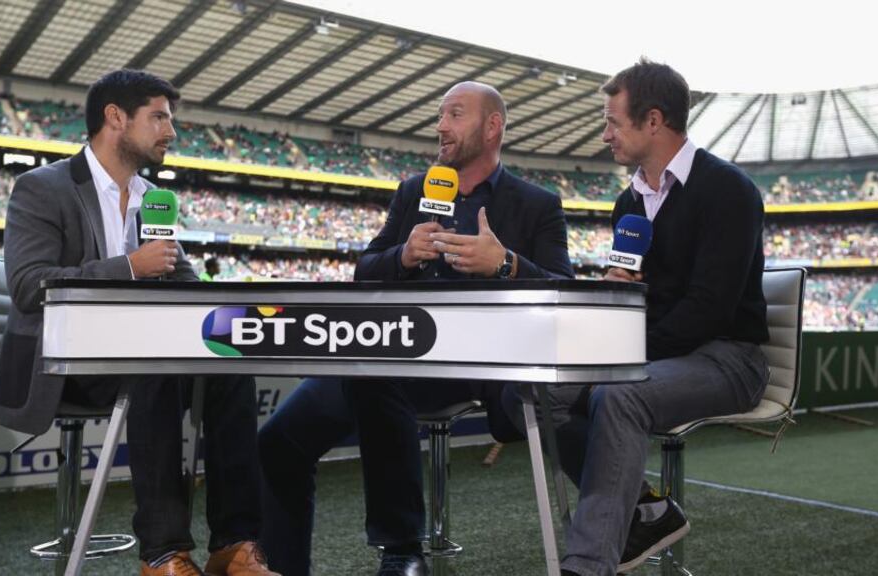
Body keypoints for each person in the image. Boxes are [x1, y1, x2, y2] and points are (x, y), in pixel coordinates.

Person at [258, 81, 573, 576]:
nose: (441, 126)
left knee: (380, 367)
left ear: (492, 127)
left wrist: (505, 264)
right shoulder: (413, 191)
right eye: (440, 115)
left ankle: (402, 550)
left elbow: (563, 291)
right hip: (391, 352)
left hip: (476, 363)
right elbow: (366, 268)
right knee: (279, 440)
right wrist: (402, 256)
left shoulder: (537, 204)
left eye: (454, 114)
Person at [0, 69, 277, 576]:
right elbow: (28, 286)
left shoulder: (153, 198)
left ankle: (233, 545)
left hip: (133, 356)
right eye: (160, 117)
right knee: (153, 368)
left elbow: (184, 284)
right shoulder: (40, 188)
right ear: (115, 118)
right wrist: (128, 266)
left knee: (231, 362)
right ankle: (163, 553)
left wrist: (236, 304)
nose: (172, 131)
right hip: (64, 360)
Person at [503, 59, 770, 576]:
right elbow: (647, 299)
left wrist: (620, 356)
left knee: (618, 392)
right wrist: (616, 297)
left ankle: (585, 566)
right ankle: (646, 508)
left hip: (729, 358)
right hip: (659, 355)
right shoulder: (628, 202)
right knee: (532, 391)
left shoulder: (729, 191)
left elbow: (708, 311)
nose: (604, 135)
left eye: (612, 122)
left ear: (653, 121)